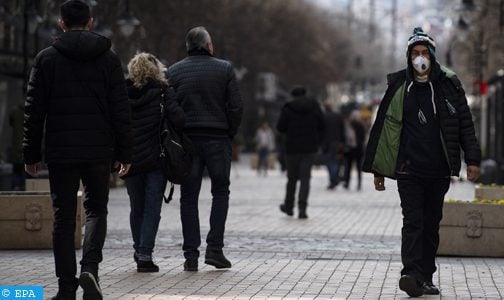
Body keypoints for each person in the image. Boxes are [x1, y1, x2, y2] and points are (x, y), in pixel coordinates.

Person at [23, 1, 132, 299]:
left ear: (61, 24)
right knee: (97, 210)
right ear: (90, 22)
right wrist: (125, 152)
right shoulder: (108, 59)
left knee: (64, 216)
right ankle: (90, 270)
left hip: (61, 151)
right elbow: (120, 110)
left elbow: (34, 111)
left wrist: (30, 154)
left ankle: (66, 287)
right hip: (99, 150)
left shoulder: (46, 59)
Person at [363, 27, 481, 297]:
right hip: (409, 169)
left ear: (432, 55)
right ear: (408, 56)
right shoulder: (399, 87)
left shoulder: (449, 84)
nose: (419, 58)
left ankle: (425, 276)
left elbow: (465, 124)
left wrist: (472, 159)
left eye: (423, 52)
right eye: (415, 53)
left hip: (439, 169)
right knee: (413, 222)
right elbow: (383, 129)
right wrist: (378, 169)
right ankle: (411, 274)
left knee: (430, 224)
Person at [167, 26, 243, 271]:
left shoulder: (174, 72)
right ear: (209, 46)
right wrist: (229, 132)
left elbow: (169, 108)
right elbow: (236, 106)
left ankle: (191, 255)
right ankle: (215, 249)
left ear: (188, 47)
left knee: (188, 197)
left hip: (188, 140)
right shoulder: (225, 69)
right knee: (220, 191)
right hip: (217, 138)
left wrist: (178, 136)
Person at [123, 53, 185, 273]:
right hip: (156, 159)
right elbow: (179, 119)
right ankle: (145, 254)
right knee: (152, 209)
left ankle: (138, 248)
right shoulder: (163, 91)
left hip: (129, 160)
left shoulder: (122, 93)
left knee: (136, 208)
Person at [277, 86, 325, 219]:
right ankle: (302, 208)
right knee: (305, 178)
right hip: (309, 148)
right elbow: (322, 125)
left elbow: (280, 127)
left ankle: (288, 206)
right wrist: (317, 141)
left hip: (292, 148)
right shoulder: (314, 106)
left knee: (291, 178)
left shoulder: (288, 107)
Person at [321, 102, 345, 190]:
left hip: (326, 143)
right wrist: (343, 141)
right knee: (335, 161)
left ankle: (333, 180)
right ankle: (334, 179)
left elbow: (320, 131)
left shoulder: (323, 117)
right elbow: (342, 130)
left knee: (329, 162)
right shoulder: (338, 116)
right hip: (337, 142)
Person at [342, 110, 366, 191]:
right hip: (358, 149)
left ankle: (347, 183)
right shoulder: (361, 125)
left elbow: (345, 136)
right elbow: (363, 138)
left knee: (348, 167)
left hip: (350, 149)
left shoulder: (349, 125)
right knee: (358, 168)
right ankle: (359, 184)